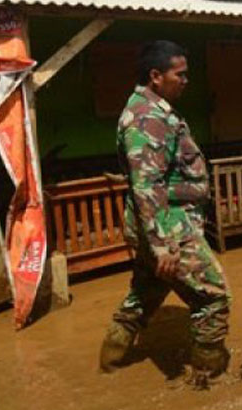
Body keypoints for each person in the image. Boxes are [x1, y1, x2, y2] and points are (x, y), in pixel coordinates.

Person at [99, 40, 232, 379]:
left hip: (158, 221)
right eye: (180, 74)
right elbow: (147, 184)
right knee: (213, 296)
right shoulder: (147, 118)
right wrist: (163, 244)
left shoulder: (152, 110)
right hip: (167, 224)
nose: (186, 80)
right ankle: (209, 375)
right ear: (156, 76)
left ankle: (110, 364)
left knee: (145, 293)